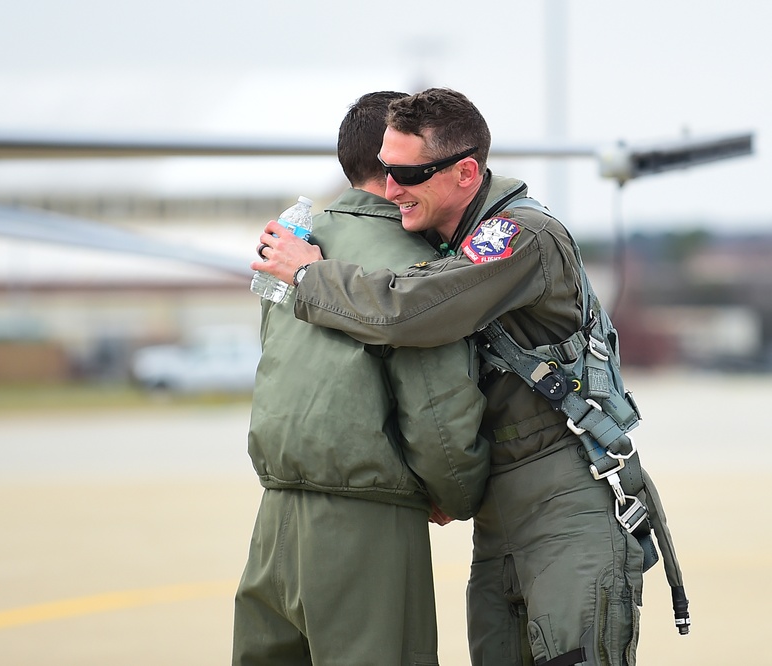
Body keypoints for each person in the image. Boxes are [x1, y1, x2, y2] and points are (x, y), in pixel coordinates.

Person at [252, 87, 687, 666]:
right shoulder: (443, 241)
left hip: (564, 496)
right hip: (499, 509)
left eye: (408, 175)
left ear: (464, 173)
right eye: (385, 171)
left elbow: (413, 311)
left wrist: (310, 276)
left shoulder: (519, 235)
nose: (389, 190)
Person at [233, 91, 489, 666]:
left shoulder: (290, 249)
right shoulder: (414, 265)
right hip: (367, 524)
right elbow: (438, 414)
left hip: (275, 517)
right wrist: (458, 493)